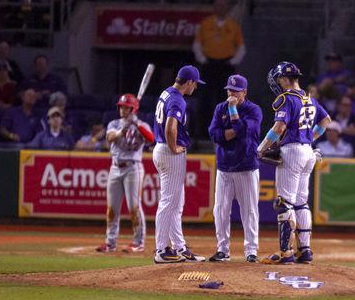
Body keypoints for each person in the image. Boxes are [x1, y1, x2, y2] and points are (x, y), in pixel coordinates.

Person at [257, 61, 331, 265]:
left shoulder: (286, 99)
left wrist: (261, 148)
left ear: (284, 79)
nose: (278, 82)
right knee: (301, 203)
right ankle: (305, 251)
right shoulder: (310, 99)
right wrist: (310, 138)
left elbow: (279, 128)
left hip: (292, 151)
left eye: (279, 79)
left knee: (285, 202)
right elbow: (326, 121)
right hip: (308, 152)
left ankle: (286, 252)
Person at [152, 65, 206, 264]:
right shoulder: (177, 99)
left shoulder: (167, 92)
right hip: (169, 152)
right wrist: (174, 147)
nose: (196, 87)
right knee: (168, 203)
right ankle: (161, 250)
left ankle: (179, 247)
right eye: (195, 84)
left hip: (161, 149)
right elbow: (170, 127)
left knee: (176, 203)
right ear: (189, 82)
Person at [207, 74, 262, 263]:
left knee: (249, 210)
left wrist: (232, 111)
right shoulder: (219, 108)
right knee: (220, 210)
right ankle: (222, 249)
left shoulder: (254, 110)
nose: (231, 94)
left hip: (246, 167)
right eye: (229, 90)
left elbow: (245, 131)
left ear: (244, 92)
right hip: (224, 167)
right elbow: (213, 134)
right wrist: (231, 133)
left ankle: (251, 250)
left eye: (235, 91)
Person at [96, 94, 154, 253]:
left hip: (133, 168)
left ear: (133, 108)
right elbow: (110, 137)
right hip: (115, 167)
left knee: (134, 206)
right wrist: (123, 130)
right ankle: (110, 242)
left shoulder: (142, 125)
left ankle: (138, 242)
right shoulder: (114, 123)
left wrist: (136, 124)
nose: (122, 109)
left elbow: (151, 139)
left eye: (126, 107)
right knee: (112, 208)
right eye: (121, 106)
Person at [193, 0, 246, 138]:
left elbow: (241, 47)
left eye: (224, 6)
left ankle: (227, 131)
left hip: (226, 67)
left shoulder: (233, 25)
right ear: (214, 8)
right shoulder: (205, 24)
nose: (221, 8)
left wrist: (233, 61)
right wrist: (204, 60)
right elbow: (197, 45)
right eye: (218, 6)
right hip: (209, 66)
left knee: (227, 99)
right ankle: (203, 133)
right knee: (205, 99)